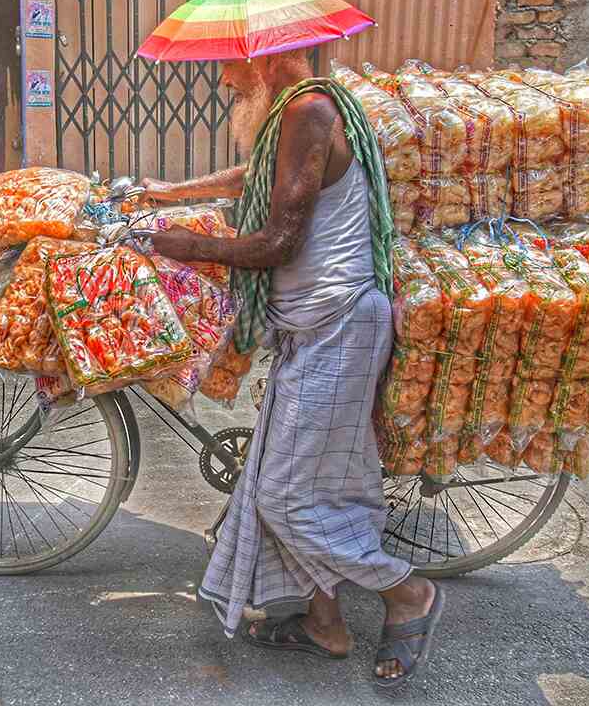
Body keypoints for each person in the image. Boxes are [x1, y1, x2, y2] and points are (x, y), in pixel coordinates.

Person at [142, 48, 444, 688]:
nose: (223, 81)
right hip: (313, 326)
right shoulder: (297, 115)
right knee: (304, 480)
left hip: (336, 326)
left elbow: (280, 242)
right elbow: (254, 178)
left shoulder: (310, 111)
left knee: (285, 494)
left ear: (265, 61)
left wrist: (188, 245)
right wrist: (172, 193)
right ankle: (324, 623)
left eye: (228, 66)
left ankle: (405, 592)